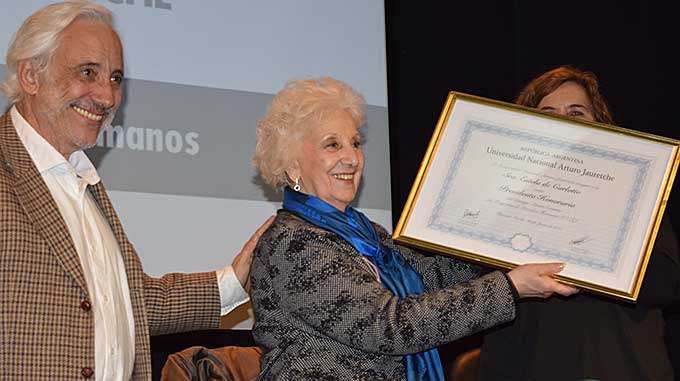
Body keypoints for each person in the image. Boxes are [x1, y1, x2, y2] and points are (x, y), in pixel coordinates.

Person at [0, 2, 272, 380]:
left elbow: (126, 303)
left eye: (114, 78)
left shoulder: (83, 184)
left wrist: (233, 280)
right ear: (31, 75)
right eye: (87, 72)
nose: (108, 97)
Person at [249, 76, 578, 380]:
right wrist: (510, 286)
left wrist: (497, 237)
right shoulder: (293, 241)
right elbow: (389, 326)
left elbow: (429, 279)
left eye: (355, 143)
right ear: (291, 162)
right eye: (332, 145)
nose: (352, 158)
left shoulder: (365, 232)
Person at [478, 66, 680, 381]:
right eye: (548, 112)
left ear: (599, 123)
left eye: (576, 112)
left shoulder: (638, 191)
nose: (562, 120)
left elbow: (665, 283)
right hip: (525, 365)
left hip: (622, 364)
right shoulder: (499, 197)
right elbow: (477, 284)